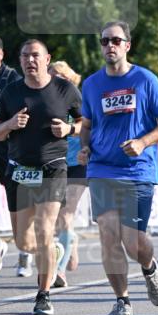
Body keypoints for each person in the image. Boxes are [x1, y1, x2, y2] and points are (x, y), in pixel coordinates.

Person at [78, 22, 158, 315]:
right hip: (102, 167)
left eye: (116, 40)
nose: (110, 45)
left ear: (127, 45)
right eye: (105, 41)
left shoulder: (145, 79)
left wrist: (143, 142)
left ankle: (149, 268)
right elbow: (87, 125)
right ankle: (123, 302)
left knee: (134, 242)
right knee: (108, 233)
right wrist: (83, 148)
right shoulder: (92, 84)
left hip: (138, 169)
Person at [0, 39, 82, 314]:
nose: (31, 60)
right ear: (19, 61)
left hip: (53, 168)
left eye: (36, 56)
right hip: (19, 170)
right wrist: (9, 124)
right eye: (25, 56)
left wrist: (68, 129)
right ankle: (53, 251)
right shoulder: (11, 92)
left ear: (47, 59)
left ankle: (44, 294)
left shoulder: (65, 89)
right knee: (24, 242)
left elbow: (86, 122)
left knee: (43, 228)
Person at [0, 34, 33, 277]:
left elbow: (25, 110)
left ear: (1, 54)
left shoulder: (12, 78)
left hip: (10, 147)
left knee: (20, 205)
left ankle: (25, 251)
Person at [48, 61, 87, 287]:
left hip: (77, 163)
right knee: (55, 219)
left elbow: (89, 126)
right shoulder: (46, 100)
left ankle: (59, 271)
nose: (53, 81)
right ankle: (70, 239)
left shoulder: (77, 99)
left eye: (58, 76)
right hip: (54, 164)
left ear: (68, 78)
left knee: (65, 215)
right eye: (51, 76)